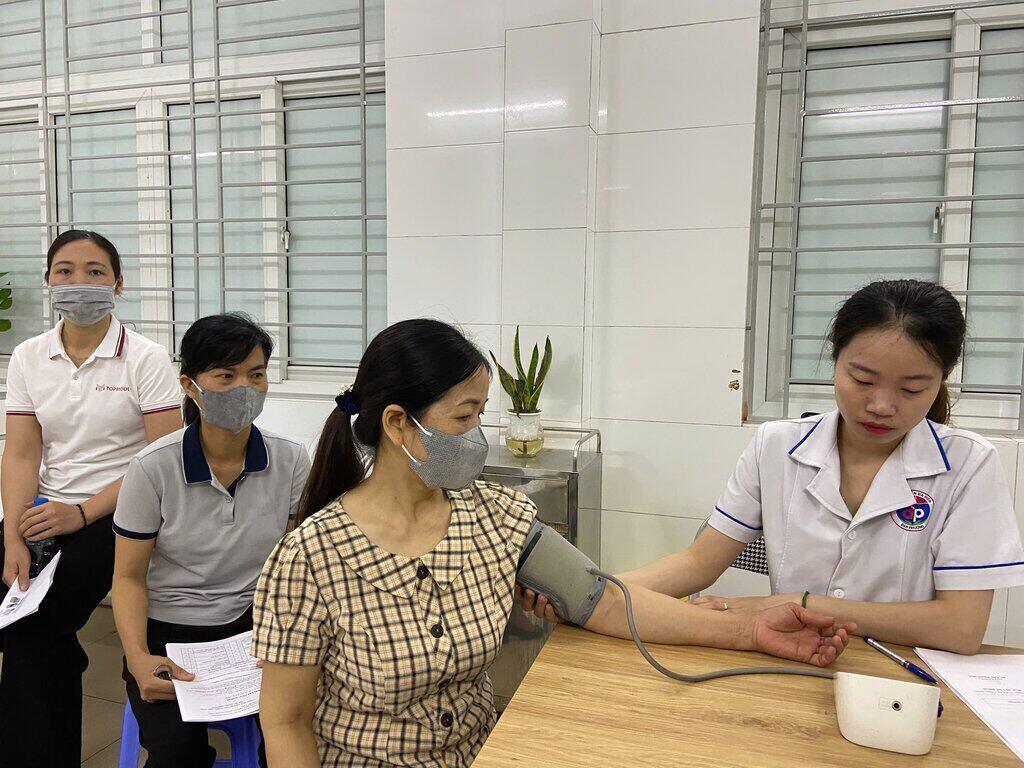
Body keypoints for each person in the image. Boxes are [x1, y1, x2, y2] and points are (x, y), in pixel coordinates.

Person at [251, 319, 853, 768]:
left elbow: (604, 600)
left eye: (480, 415)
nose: (477, 436)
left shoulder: (496, 516)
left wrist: (751, 631)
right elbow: (285, 722)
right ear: (397, 423)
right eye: (463, 417)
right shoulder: (310, 558)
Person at [521, 279, 1024, 655]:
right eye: (863, 379)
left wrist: (802, 604)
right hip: (792, 661)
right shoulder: (777, 446)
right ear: (835, 361)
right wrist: (592, 597)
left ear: (942, 380)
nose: (881, 405)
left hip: (904, 676)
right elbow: (699, 563)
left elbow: (960, 628)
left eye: (912, 388)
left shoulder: (968, 464)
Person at [0, 230, 183, 768]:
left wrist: (80, 513)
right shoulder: (29, 356)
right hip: (45, 509)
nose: (79, 282)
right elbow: (22, 453)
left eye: (95, 271)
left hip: (120, 513)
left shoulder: (145, 358)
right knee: (24, 623)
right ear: (49, 281)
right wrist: (13, 534)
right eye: (65, 270)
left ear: (118, 284)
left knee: (34, 627)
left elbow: (160, 460)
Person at [111, 313, 310, 768]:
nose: (245, 388)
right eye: (226, 376)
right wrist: (138, 657)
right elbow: (127, 578)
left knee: (294, 735)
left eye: (256, 375)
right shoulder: (152, 467)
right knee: (177, 754)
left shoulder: (290, 459)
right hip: (168, 627)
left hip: (254, 624)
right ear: (190, 386)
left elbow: (296, 567)